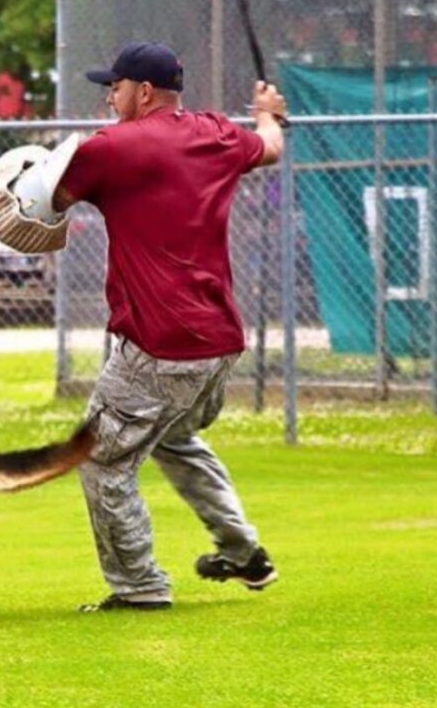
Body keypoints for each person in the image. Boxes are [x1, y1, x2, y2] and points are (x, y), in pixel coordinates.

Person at [51, 40, 288, 612]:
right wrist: (266, 114)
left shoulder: (113, 148)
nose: (110, 97)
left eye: (115, 87)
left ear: (144, 92)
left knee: (101, 458)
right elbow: (272, 148)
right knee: (172, 436)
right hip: (218, 346)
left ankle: (139, 587)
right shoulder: (216, 134)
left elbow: (44, 203)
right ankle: (242, 550)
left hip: (159, 344)